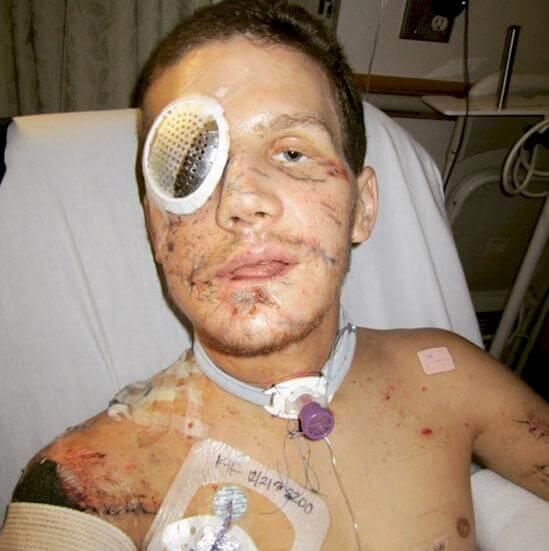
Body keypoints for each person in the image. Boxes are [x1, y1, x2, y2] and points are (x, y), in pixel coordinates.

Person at [2, 1, 548, 549]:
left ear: (362, 208)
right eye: (191, 166)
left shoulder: (447, 375)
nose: (240, 201)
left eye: (291, 153)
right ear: (156, 226)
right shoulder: (92, 483)